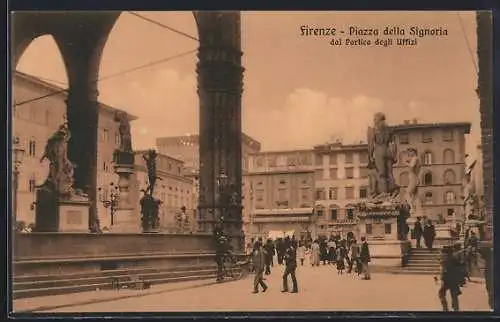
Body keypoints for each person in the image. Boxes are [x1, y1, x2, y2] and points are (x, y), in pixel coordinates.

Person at [437, 246, 462, 311]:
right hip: (454, 279)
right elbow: (459, 266)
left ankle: (445, 308)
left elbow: (443, 270)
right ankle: (456, 308)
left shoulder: (443, 258)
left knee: (441, 293)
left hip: (446, 279)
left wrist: (441, 278)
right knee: (454, 295)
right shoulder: (454, 257)